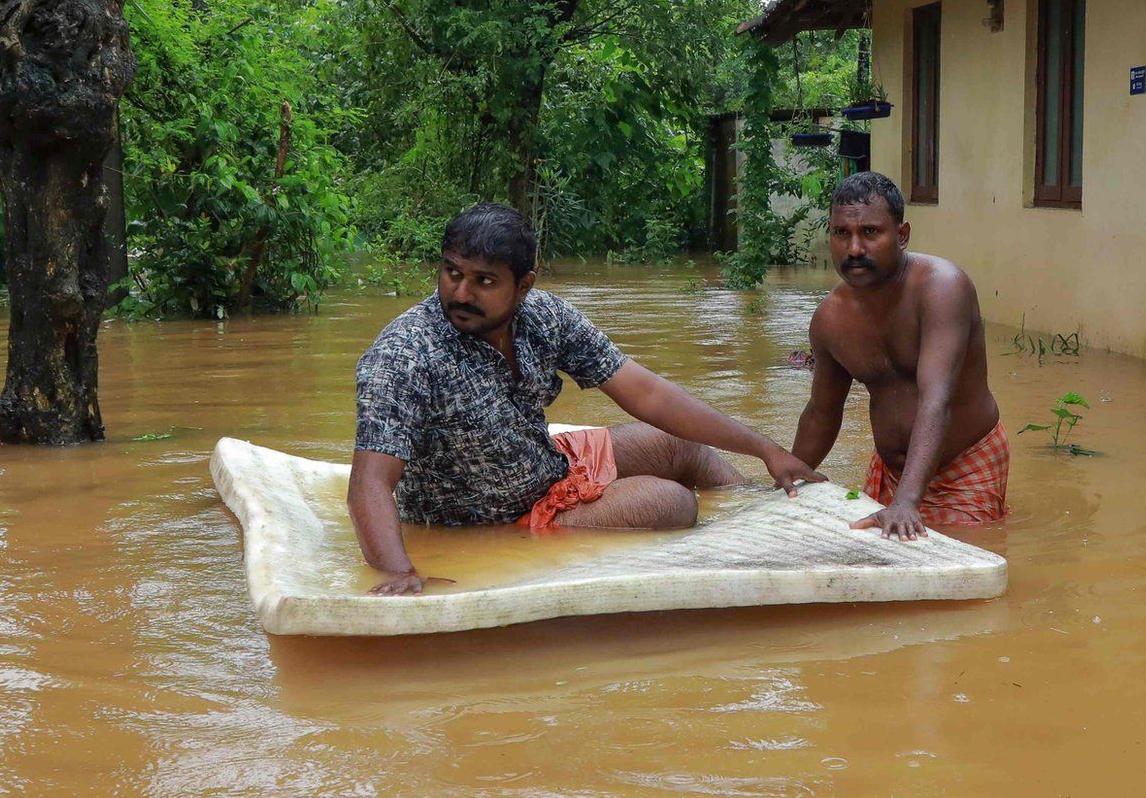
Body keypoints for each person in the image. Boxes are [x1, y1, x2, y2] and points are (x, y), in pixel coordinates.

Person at [348, 203, 824, 595]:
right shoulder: (405, 354)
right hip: (498, 513)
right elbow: (370, 483)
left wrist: (766, 449)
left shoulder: (543, 316)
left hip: (546, 465)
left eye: (484, 281)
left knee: (680, 446)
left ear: (524, 285)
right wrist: (397, 573)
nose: (461, 292)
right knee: (672, 502)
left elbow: (651, 394)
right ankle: (731, 569)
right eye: (451, 273)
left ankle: (768, 517)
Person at [790, 171, 1007, 540]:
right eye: (842, 233)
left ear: (902, 235)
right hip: (891, 472)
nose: (854, 249)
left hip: (965, 464)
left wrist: (907, 502)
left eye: (870, 232)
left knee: (960, 578)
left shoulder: (942, 288)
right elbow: (822, 412)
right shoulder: (830, 318)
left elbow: (936, 399)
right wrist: (790, 478)